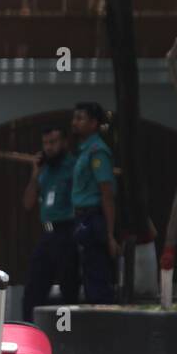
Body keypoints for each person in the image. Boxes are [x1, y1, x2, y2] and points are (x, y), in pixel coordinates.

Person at [21, 125, 79, 323]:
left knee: (68, 287)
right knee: (33, 289)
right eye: (45, 143)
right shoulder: (44, 170)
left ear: (63, 142)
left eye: (53, 142)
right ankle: (29, 330)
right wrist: (34, 174)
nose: (49, 148)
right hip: (47, 234)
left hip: (67, 231)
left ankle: (68, 332)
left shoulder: (73, 167)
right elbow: (28, 204)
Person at [70, 102, 120, 305]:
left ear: (93, 123)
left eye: (80, 118)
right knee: (88, 274)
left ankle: (103, 323)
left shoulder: (97, 152)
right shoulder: (84, 151)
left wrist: (109, 235)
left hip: (93, 219)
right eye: (74, 118)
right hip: (83, 218)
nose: (75, 122)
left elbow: (107, 194)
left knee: (96, 275)